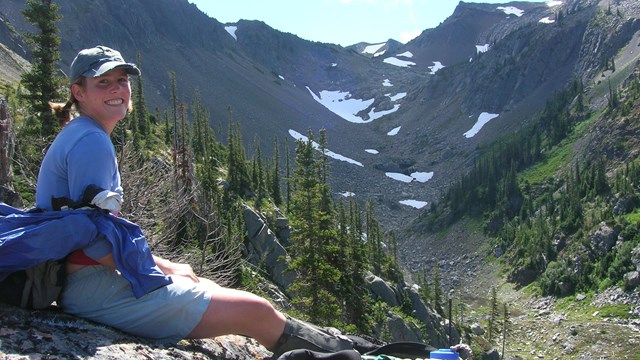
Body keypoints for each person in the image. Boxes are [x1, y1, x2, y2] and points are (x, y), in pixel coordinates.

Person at [37, 45, 355, 359]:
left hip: (90, 281)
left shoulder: (83, 133)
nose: (117, 89)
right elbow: (90, 242)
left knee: (211, 287)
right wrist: (159, 266)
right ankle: (350, 353)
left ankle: (341, 348)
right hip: (92, 290)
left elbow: (93, 230)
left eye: (122, 79)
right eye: (103, 82)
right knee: (255, 311)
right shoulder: (91, 141)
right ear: (78, 92)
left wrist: (160, 267)